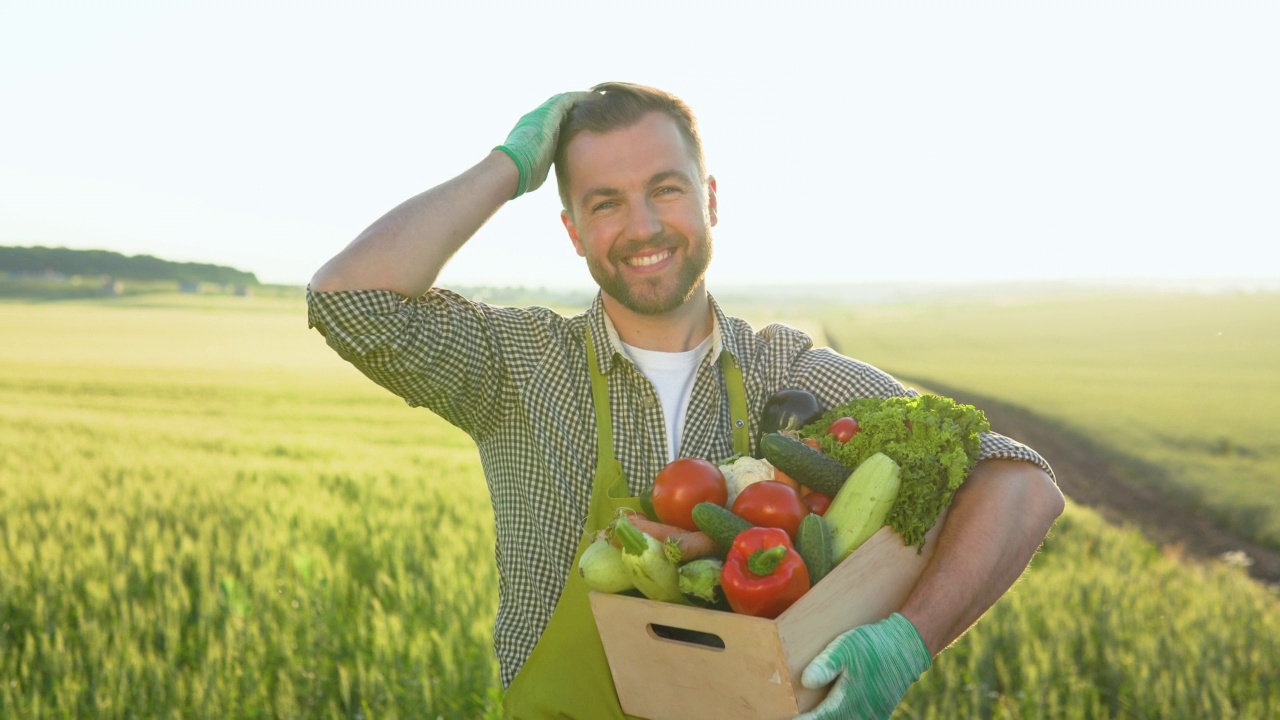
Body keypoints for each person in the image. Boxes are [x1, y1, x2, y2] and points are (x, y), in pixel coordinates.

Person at [308, 82, 1064, 720]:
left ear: (708, 199)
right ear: (572, 232)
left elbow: (1020, 486)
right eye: (605, 203)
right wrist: (508, 167)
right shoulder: (516, 367)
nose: (642, 227)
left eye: (664, 190)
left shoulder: (785, 369)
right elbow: (347, 301)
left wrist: (907, 642)